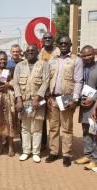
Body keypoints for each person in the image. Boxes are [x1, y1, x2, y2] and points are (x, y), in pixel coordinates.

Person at [46, 36, 83, 167]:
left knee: (67, 128)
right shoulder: (53, 59)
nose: (63, 45)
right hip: (53, 98)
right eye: (61, 43)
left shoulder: (76, 60)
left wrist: (75, 99)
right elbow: (48, 78)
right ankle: (54, 152)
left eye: (65, 43)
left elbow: (78, 81)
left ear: (70, 44)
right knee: (53, 128)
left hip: (66, 98)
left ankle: (67, 154)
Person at [13, 45, 49, 163]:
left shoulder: (43, 64)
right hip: (24, 102)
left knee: (37, 128)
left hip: (38, 102)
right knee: (25, 128)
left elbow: (45, 82)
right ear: (25, 53)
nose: (30, 52)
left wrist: (37, 98)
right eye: (28, 51)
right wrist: (18, 100)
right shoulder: (19, 65)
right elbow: (16, 83)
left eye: (32, 50)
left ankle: (36, 152)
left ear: (37, 52)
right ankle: (26, 151)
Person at [75, 45, 97, 170]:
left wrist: (93, 100)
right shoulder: (81, 68)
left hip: (94, 106)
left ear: (94, 54)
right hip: (84, 106)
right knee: (86, 132)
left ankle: (95, 159)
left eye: (89, 55)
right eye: (84, 55)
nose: (87, 57)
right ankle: (88, 155)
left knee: (94, 132)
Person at [39, 32, 61, 150]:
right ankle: (43, 144)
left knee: (55, 122)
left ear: (53, 40)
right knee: (41, 118)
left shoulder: (59, 52)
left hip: (54, 93)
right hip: (42, 93)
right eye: (45, 38)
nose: (47, 39)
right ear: (42, 40)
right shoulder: (40, 52)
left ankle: (54, 148)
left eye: (49, 38)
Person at [0, 51, 16, 156]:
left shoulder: (10, 70)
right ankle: (0, 146)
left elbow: (16, 83)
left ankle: (11, 147)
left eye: (4, 59)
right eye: (0, 59)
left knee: (9, 122)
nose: (2, 61)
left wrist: (8, 84)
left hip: (7, 99)